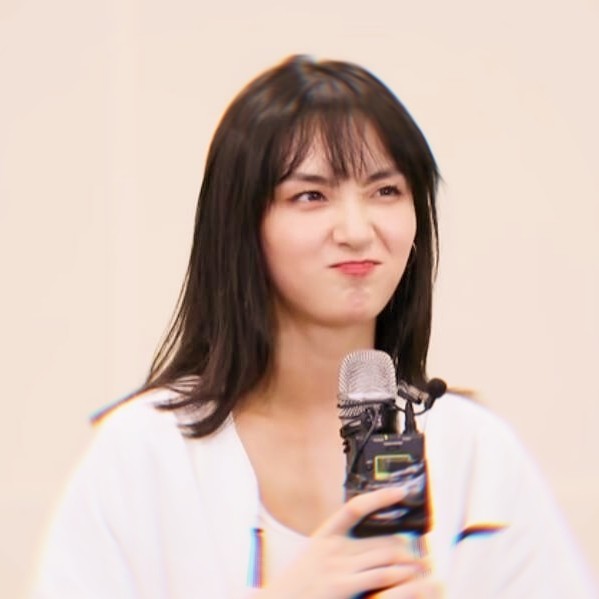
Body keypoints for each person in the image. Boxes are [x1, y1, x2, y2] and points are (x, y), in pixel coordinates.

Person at [33, 55, 596, 598]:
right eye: (311, 195)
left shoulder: (474, 451)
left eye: (385, 191)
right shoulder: (145, 454)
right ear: (241, 227)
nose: (356, 230)